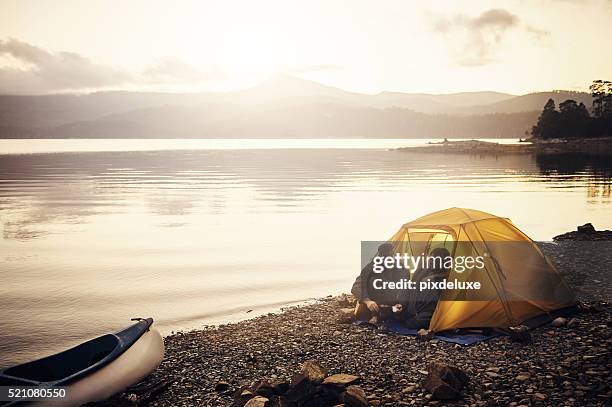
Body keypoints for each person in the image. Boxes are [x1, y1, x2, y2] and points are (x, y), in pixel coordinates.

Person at [351, 243, 408, 323]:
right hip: (374, 306)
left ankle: (388, 315)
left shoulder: (401, 268)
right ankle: (375, 315)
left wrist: (401, 303)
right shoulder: (370, 268)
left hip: (394, 306)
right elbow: (356, 287)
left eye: (389, 254)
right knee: (373, 281)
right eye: (384, 254)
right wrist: (367, 301)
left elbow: (405, 288)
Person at [402, 247, 451, 329]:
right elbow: (410, 287)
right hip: (412, 306)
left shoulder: (446, 278)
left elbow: (434, 307)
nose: (429, 261)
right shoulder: (422, 271)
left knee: (413, 322)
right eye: (430, 259)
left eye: (432, 260)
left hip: (426, 312)